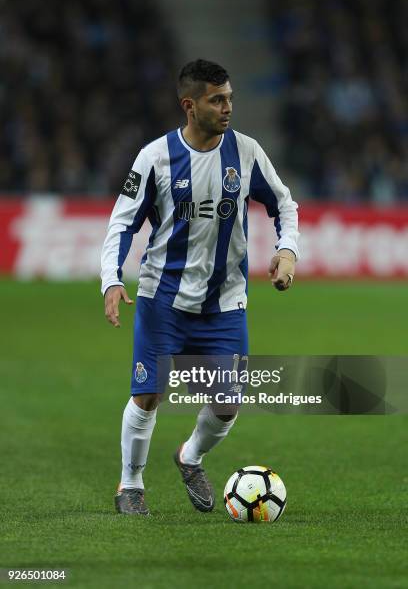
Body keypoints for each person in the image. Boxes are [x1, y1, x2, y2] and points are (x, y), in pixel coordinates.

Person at [100, 59, 299, 515]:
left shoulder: (246, 153)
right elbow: (122, 224)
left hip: (224, 303)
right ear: (190, 106)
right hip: (162, 299)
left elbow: (284, 204)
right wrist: (111, 281)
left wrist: (288, 252)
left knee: (228, 405)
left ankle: (190, 457)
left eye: (230, 97)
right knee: (147, 394)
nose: (228, 107)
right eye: (217, 99)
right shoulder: (154, 158)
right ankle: (130, 485)